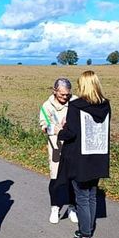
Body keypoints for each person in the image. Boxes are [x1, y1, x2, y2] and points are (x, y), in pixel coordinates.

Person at [56, 71, 111, 238]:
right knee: (92, 196)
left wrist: (59, 130)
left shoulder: (76, 106)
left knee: (82, 198)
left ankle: (85, 237)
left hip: (79, 159)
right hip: (98, 157)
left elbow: (71, 133)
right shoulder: (106, 105)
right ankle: (88, 229)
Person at [39, 78, 78, 225]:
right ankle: (55, 207)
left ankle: (72, 207)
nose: (65, 98)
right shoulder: (47, 106)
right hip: (56, 148)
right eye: (62, 95)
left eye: (67, 95)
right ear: (54, 91)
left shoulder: (75, 102)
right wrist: (58, 129)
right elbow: (44, 127)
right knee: (56, 179)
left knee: (73, 179)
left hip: (73, 147)